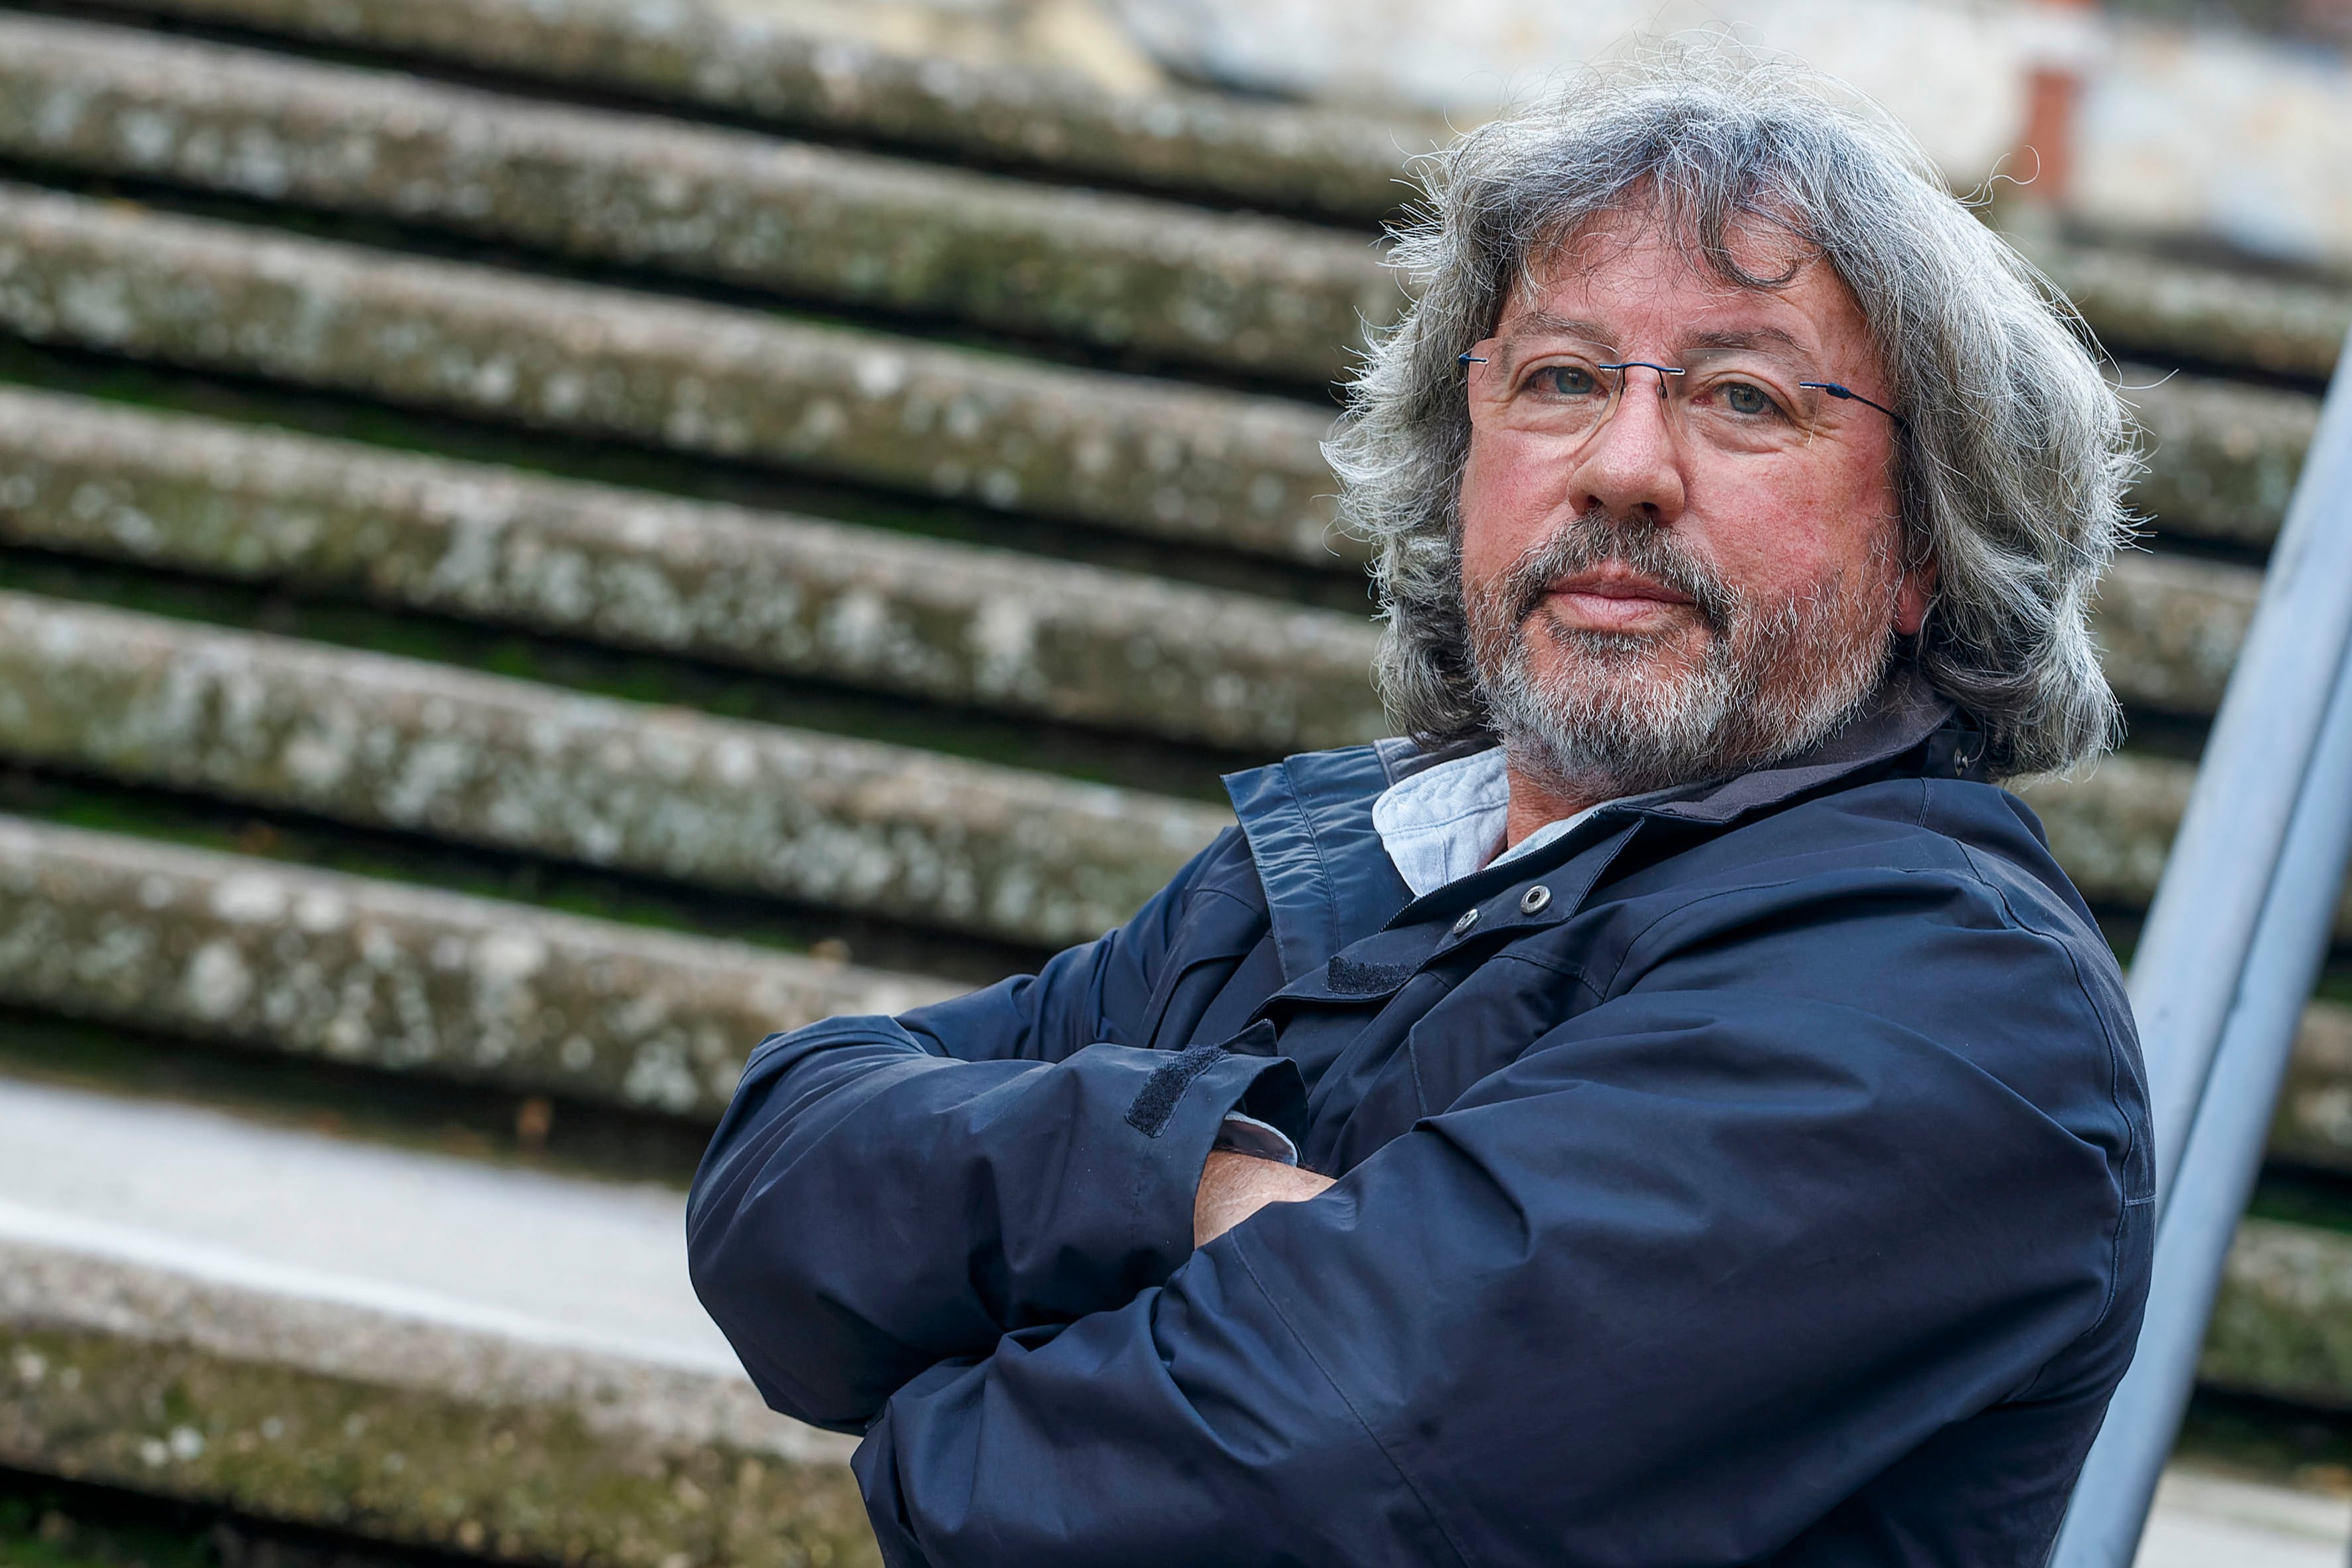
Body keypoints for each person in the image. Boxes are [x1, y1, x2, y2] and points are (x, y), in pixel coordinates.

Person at [688, 63, 2150, 1566]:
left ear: (1924, 549)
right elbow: (780, 1177)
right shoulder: (1343, 862)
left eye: (1744, 397)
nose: (1625, 467)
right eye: (1562, 378)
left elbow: (1255, 1493)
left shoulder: (1947, 1005)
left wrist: (929, 1396)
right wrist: (1191, 1178)